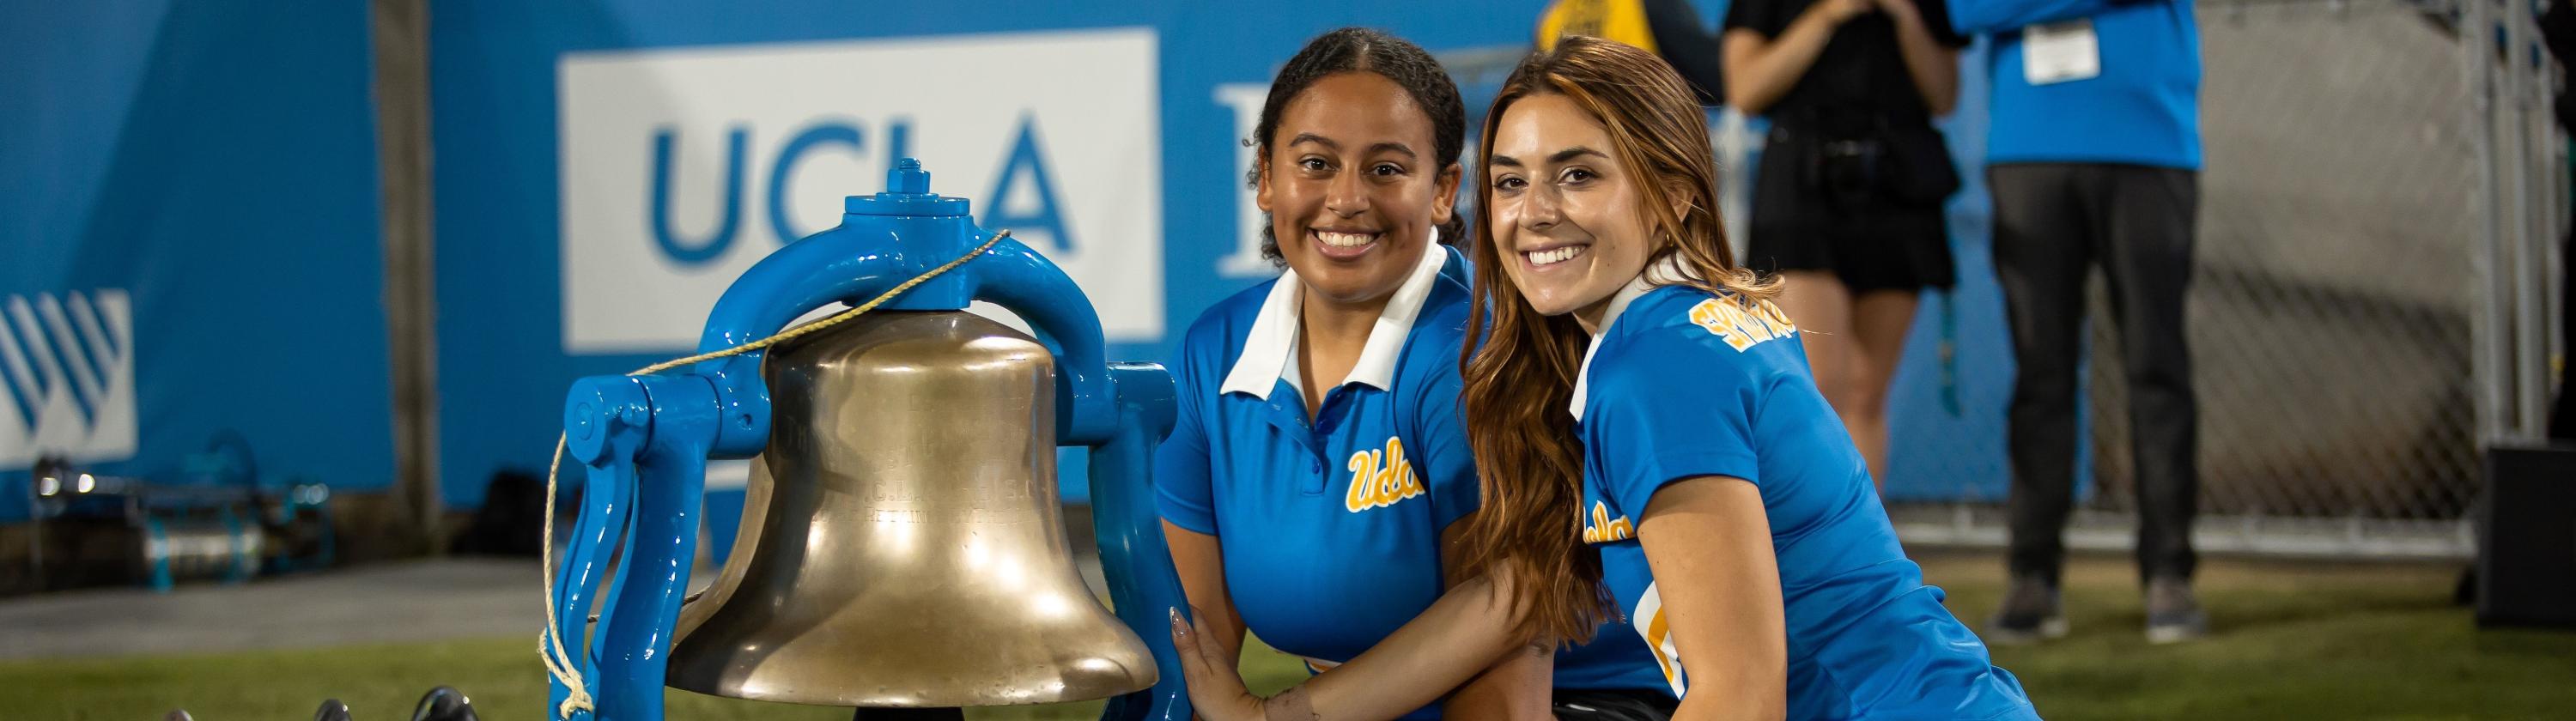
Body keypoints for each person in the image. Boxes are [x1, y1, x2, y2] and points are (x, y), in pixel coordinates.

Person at [1170, 36, 2034, 721]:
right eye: (1513, 181)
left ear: (1674, 191)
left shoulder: (1651, 368)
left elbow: (1738, 701)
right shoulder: (1684, 326)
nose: (1535, 212)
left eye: (1579, 175)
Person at [1154, 27, 1668, 720]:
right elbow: (1197, 642)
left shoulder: (1478, 350)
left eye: (1386, 169)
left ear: (1443, 191)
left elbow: (1510, 637)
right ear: (1267, 180)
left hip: (1584, 700)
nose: (1346, 199)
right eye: (1314, 164)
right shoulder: (1214, 349)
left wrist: (1278, 716)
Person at [1948, 0, 2208, 644]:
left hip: (2152, 145)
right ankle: (2032, 576)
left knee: (2159, 370)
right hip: (2030, 151)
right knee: (2042, 376)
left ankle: (2169, 574)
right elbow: (1962, 9)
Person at [1722, 0, 1967, 486]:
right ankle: (1808, 546)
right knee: (1814, 389)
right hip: (1803, 187)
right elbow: (1745, 90)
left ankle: (1861, 554)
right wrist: (1828, 15)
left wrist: (1905, 16)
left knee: (1866, 391)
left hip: (1897, 187)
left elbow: (1943, 96)